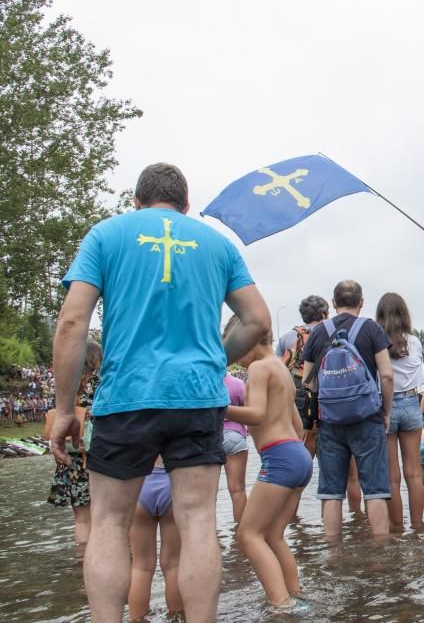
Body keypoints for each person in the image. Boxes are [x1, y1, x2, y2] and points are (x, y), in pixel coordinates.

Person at [50, 163, 270, 622]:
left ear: (137, 201)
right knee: (197, 523)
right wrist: (214, 357)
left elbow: (72, 322)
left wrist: (65, 408)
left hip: (126, 397)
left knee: (109, 523)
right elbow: (257, 321)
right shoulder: (216, 243)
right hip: (196, 398)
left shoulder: (106, 235)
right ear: (185, 205)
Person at [224, 316, 312, 612]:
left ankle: (282, 604)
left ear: (249, 340)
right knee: (273, 535)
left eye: (235, 348)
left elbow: (258, 414)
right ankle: (296, 597)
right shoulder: (282, 370)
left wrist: (219, 409)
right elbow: (297, 424)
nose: (234, 356)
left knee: (248, 535)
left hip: (280, 457)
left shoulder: (259, 368)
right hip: (296, 454)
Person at [301, 280, 394, 537]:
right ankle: (381, 555)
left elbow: (308, 380)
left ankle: (333, 554)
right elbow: (386, 375)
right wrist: (386, 413)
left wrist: (332, 397)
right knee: (375, 489)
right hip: (368, 417)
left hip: (330, 421)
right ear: (361, 302)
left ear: (333, 303)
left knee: (331, 491)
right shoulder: (372, 329)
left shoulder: (319, 333)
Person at [376, 292, 424, 532]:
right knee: (414, 473)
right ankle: (418, 526)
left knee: (392, 476)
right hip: (410, 403)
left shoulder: (376, 342)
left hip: (385, 405)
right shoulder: (415, 342)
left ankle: (397, 527)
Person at [44, 340, 101, 545]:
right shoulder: (99, 382)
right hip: (97, 454)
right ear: (95, 359)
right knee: (105, 518)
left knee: (81, 519)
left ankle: (81, 563)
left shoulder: (66, 384)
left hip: (70, 454)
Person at [128, 458, 183, 621]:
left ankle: (137, 619)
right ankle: (177, 617)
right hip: (171, 481)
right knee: (174, 564)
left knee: (140, 566)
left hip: (139, 483)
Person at [275, 295, 330, 457]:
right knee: (329, 445)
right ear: (324, 313)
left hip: (298, 394)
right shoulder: (330, 333)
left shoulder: (287, 337)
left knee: (299, 440)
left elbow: (278, 369)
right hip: (325, 392)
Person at [222, 373, 248, 523]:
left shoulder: (204, 379)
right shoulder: (237, 383)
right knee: (238, 490)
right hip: (235, 436)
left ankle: (209, 537)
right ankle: (241, 534)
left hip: (210, 438)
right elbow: (246, 411)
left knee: (208, 495)